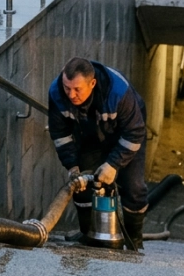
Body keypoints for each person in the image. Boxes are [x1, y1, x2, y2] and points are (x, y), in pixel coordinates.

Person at [47, 57, 148, 250]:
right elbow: (60, 134)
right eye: (67, 88)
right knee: (82, 184)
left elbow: (134, 133)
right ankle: (88, 234)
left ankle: (133, 240)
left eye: (77, 89)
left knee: (134, 188)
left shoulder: (118, 92)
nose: (71, 95)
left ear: (92, 83)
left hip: (127, 132)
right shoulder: (56, 92)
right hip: (89, 131)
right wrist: (72, 165)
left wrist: (113, 164)